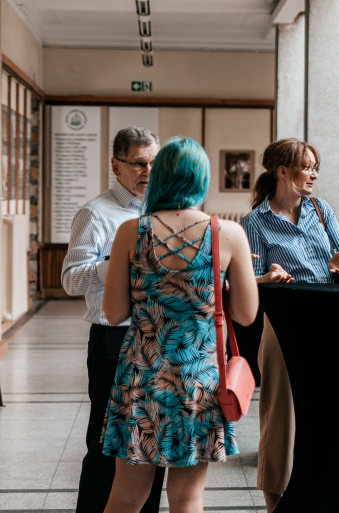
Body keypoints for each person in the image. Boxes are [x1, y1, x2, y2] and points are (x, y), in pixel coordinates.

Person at [99, 137, 258, 511]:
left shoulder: (131, 231)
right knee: (188, 497)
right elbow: (246, 315)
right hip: (197, 381)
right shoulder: (227, 234)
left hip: (142, 378)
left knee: (126, 496)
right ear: (201, 179)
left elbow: (114, 313)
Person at [239, 138, 339, 513]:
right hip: (283, 324)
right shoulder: (255, 222)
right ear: (283, 172)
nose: (314, 174)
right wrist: (268, 277)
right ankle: (275, 505)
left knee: (328, 414)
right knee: (281, 420)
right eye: (307, 167)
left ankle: (323, 496)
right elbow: (248, 281)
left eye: (315, 167)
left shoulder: (322, 210)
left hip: (329, 320)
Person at [61, 126, 167, 513]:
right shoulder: (95, 213)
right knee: (107, 444)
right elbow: (71, 280)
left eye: (154, 163)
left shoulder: (161, 211)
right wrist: (118, 261)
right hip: (113, 340)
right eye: (139, 163)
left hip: (157, 340)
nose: (148, 172)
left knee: (151, 444)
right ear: (116, 165)